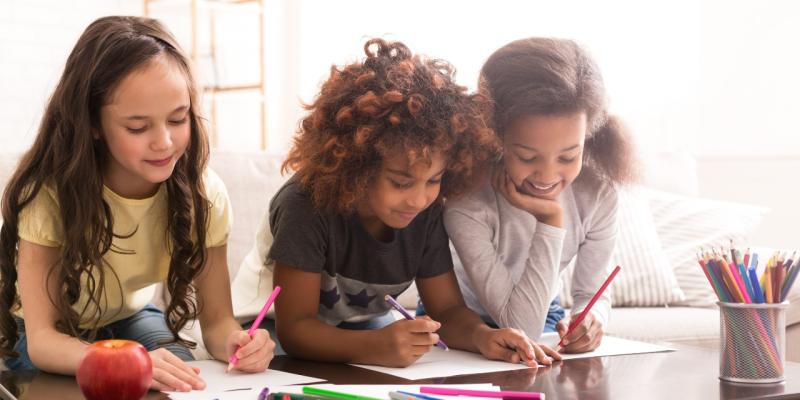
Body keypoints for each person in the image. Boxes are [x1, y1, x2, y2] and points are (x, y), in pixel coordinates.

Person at [231, 38, 556, 367]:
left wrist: (482, 336)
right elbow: (296, 330)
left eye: (433, 180)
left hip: (359, 329)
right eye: (401, 182)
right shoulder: (305, 205)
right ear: (357, 166)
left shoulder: (426, 211)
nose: (418, 199)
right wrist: (374, 347)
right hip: (263, 334)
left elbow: (446, 311)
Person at [0, 16, 274, 392]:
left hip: (130, 317)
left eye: (178, 119)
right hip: (47, 334)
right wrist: (127, 361)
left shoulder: (204, 195)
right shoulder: (50, 196)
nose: (163, 142)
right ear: (93, 124)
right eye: (138, 127)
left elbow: (217, 323)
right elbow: (44, 340)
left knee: (182, 377)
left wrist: (236, 343)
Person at [444, 37, 636, 354]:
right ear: (495, 136)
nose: (547, 177)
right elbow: (521, 325)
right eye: (527, 157)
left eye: (568, 157)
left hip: (546, 313)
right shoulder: (467, 200)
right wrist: (550, 218)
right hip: (461, 324)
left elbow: (593, 292)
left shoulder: (598, 194)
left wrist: (591, 318)